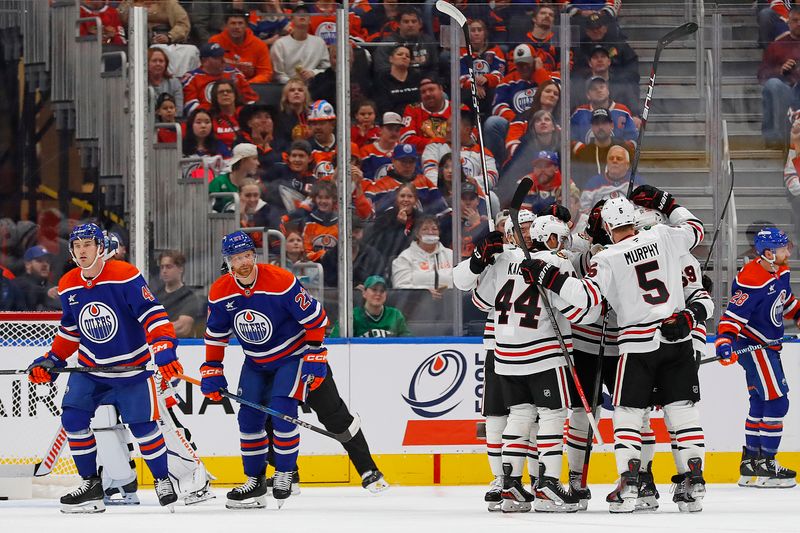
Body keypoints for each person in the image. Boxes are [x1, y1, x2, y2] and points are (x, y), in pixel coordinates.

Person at [519, 188, 708, 513]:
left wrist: (549, 276)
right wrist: (669, 203)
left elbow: (587, 299)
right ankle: (694, 479)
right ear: (637, 219)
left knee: (628, 414)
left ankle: (630, 482)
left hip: (637, 345)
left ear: (607, 228)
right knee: (681, 411)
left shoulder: (606, 258)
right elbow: (696, 229)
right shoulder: (664, 235)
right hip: (676, 341)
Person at [26, 223, 183, 512]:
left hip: (131, 369)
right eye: (76, 246)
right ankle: (91, 484)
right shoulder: (69, 283)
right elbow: (71, 329)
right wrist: (53, 359)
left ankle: (162, 479)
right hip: (91, 370)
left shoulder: (125, 275)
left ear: (100, 248)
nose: (81, 250)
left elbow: (154, 315)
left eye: (88, 244)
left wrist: (163, 345)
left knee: (143, 427)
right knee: (73, 419)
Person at [463, 214, 596, 512]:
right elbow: (577, 313)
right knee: (552, 415)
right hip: (544, 354)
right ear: (549, 239)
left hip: (506, 356)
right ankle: (548, 485)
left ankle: (510, 485)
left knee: (519, 416)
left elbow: (480, 303)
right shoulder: (556, 263)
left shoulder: (504, 260)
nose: (562, 247)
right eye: (560, 240)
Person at [200, 231, 329, 509]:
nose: (244, 262)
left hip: (291, 357)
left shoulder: (281, 282)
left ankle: (285, 474)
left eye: (247, 255)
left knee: (283, 414)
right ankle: (255, 481)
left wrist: (316, 352)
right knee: (248, 419)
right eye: (237, 257)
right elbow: (215, 334)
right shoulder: (221, 291)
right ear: (227, 261)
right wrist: (212, 367)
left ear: (254, 255)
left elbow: (316, 319)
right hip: (255, 362)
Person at [716, 227, 798, 489]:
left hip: (768, 347)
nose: (789, 251)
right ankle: (767, 465)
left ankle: (751, 462)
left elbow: (785, 302)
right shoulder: (752, 278)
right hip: (755, 346)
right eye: (783, 247)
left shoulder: (780, 271)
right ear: (768, 253)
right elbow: (733, 315)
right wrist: (724, 341)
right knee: (777, 402)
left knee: (760, 401)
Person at [485, 44, 554, 165]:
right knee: (492, 123)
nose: (523, 67)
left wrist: (540, 72)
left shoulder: (549, 77)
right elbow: (498, 106)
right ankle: (497, 166)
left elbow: (554, 96)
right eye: (520, 64)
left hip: (545, 121)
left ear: (535, 60)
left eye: (527, 63)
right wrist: (518, 121)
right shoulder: (507, 81)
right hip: (515, 124)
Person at [365, 143, 448, 215]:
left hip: (421, 229)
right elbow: (369, 215)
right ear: (393, 161)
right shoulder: (380, 186)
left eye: (411, 161)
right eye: (403, 161)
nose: (408, 165)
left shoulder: (425, 182)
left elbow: (442, 209)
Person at [758, 6, 800, 147]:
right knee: (772, 84)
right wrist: (780, 70)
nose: (799, 23)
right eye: (795, 20)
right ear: (788, 22)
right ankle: (774, 137)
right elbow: (762, 75)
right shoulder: (777, 45)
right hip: (786, 88)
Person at [182, 42, 259, 115]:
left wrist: (238, 115)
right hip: (208, 122)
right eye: (217, 58)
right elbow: (191, 107)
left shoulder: (234, 73)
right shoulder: (192, 78)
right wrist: (216, 116)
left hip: (236, 119)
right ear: (204, 61)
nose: (223, 60)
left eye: (222, 56)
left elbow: (251, 100)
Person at [572, 107, 636, 188]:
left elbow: (634, 177)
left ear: (612, 125)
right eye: (596, 124)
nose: (600, 127)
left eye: (604, 123)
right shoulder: (583, 153)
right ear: (591, 127)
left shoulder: (624, 150)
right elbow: (578, 182)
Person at [391, 215, 453, 296]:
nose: (430, 232)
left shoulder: (451, 255)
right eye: (425, 229)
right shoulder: (405, 257)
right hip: (417, 305)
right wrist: (424, 293)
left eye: (434, 229)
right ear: (417, 234)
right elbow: (400, 286)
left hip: (450, 303)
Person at [270, 3, 330, 85]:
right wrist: (293, 83)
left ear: (310, 20)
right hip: (288, 88)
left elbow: (326, 67)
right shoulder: (280, 44)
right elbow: (278, 75)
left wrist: (313, 73)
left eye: (305, 14)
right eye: (298, 14)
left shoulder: (319, 42)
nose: (302, 15)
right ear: (292, 19)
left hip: (314, 86)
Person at [332, 275, 411, 337]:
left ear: (386, 294)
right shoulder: (352, 316)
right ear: (364, 293)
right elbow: (335, 342)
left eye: (382, 291)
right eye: (374, 289)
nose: (378, 294)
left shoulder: (395, 315)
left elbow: (409, 342)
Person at [372, 6, 439, 79]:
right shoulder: (388, 43)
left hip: (424, 83)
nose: (410, 25)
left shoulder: (428, 41)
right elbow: (382, 69)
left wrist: (429, 80)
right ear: (398, 25)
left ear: (420, 25)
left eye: (414, 21)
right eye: (406, 21)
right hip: (397, 83)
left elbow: (435, 68)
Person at [209, 9, 274, 84]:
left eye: (240, 23)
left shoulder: (259, 45)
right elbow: (209, 69)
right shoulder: (215, 42)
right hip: (222, 85)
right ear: (226, 25)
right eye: (233, 23)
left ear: (246, 26)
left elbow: (265, 73)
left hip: (251, 85)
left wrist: (247, 84)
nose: (237, 27)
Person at [570, 77, 638, 148]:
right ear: (588, 95)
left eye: (602, 87)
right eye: (594, 89)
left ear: (608, 91)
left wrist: (620, 149)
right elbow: (569, 138)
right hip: (587, 157)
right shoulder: (579, 112)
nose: (599, 90)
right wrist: (584, 151)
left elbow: (633, 139)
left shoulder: (622, 111)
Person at [459, 18, 506, 118]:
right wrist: (474, 84)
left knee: (494, 92)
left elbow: (500, 76)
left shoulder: (495, 50)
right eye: (473, 30)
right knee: (466, 94)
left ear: (485, 33)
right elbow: (461, 78)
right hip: (469, 92)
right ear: (468, 34)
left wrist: (486, 79)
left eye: (479, 30)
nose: (476, 33)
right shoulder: (462, 52)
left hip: (489, 90)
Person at [579, 144, 644, 213]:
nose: (614, 161)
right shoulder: (593, 183)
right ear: (607, 162)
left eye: (619, 158)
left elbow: (642, 209)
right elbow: (583, 210)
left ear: (627, 165)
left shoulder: (637, 182)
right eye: (611, 158)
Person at [155, 250, 200, 338]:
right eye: (162, 267)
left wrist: (153, 329)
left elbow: (182, 328)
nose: (164, 271)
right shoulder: (155, 296)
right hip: (155, 346)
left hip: (180, 347)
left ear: (180, 269)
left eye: (169, 267)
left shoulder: (189, 297)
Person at [400, 77, 452, 152]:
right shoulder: (412, 109)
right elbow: (406, 140)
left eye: (431, 90)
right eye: (423, 92)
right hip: (421, 159)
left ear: (441, 89)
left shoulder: (458, 108)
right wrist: (439, 143)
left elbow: (468, 136)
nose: (427, 94)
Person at [372, 45, 422, 117]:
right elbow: (382, 105)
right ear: (391, 59)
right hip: (391, 118)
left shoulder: (416, 77)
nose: (404, 57)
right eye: (400, 54)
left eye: (407, 56)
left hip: (416, 116)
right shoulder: (382, 78)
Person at [209, 143, 261, 212]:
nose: (258, 163)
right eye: (254, 159)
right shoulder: (219, 182)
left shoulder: (254, 183)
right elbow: (208, 210)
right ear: (243, 161)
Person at [235, 103, 284, 173]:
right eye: (258, 117)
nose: (264, 121)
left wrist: (267, 146)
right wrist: (259, 145)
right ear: (249, 123)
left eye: (267, 117)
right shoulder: (240, 143)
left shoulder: (281, 142)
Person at [13, 245, 60, 311]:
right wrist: (48, 292)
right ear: (28, 265)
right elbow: (31, 289)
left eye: (47, 261)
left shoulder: (48, 285)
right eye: (39, 260)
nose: (45, 264)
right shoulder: (19, 283)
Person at [360, 112, 403, 182]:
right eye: (390, 129)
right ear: (380, 130)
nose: (394, 133)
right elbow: (365, 180)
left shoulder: (403, 151)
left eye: (397, 130)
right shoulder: (366, 152)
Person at [273, 78, 312, 148]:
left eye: (300, 90)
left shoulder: (312, 115)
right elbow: (279, 142)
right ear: (286, 95)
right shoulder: (279, 118)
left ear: (305, 95)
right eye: (292, 90)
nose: (296, 92)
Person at [148, 47, 184, 117]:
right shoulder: (140, 83)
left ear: (166, 64)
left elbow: (179, 111)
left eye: (161, 61)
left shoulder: (175, 83)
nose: (158, 64)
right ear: (146, 63)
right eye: (154, 61)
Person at [209, 80, 242, 149]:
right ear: (215, 97)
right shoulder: (209, 117)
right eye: (221, 92)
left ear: (235, 95)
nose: (225, 94)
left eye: (229, 91)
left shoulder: (245, 114)